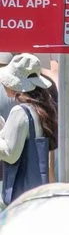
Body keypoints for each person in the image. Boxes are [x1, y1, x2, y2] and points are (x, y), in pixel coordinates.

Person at [1, 53, 57, 204]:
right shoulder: (41, 109)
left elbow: (10, 153)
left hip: (20, 196)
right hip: (37, 189)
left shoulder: (20, 111)